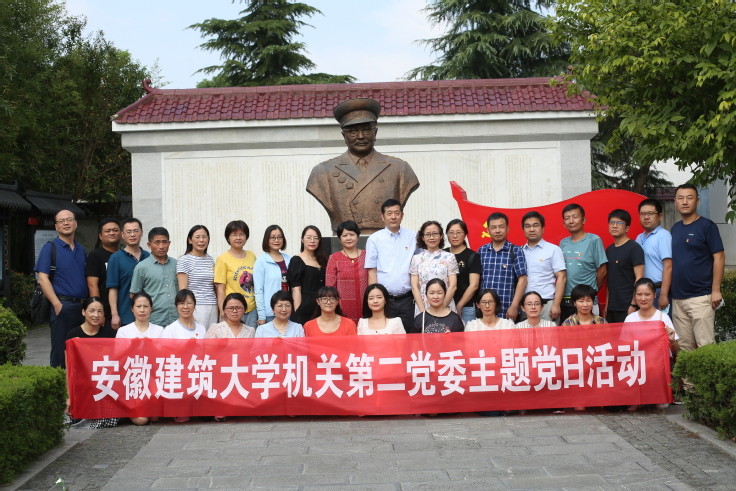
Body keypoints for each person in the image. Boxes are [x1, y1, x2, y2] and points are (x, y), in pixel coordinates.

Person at [306, 97, 420, 235]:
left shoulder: (400, 168)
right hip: (345, 240)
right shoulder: (323, 172)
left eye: (366, 130)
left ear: (375, 133)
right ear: (344, 136)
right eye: (353, 131)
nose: (360, 136)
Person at [670, 183, 725, 352]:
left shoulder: (707, 226)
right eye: (680, 198)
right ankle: (687, 373)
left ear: (697, 201)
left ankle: (709, 373)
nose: (685, 202)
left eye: (689, 198)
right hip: (678, 298)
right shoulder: (675, 228)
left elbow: (719, 257)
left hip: (701, 296)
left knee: (705, 346)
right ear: (675, 202)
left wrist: (716, 290)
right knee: (684, 348)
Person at [35, 209, 89, 368]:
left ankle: (77, 382)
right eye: (61, 221)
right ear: (56, 226)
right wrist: (56, 304)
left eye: (69, 219)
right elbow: (43, 278)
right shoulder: (50, 248)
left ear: (76, 223)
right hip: (62, 306)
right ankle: (58, 382)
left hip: (82, 307)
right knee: (60, 350)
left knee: (81, 349)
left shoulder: (81, 249)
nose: (66, 223)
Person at [625, 278, 681, 411]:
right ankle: (637, 397)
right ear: (634, 296)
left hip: (659, 366)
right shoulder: (630, 319)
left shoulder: (663, 318)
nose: (643, 298)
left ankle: (654, 396)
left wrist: (672, 340)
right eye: (639, 294)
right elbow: (624, 349)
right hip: (637, 366)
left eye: (647, 294)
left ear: (655, 295)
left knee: (661, 406)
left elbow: (676, 350)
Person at [365, 199, 421, 332]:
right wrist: (375, 297)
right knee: (386, 335)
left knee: (410, 335)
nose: (393, 217)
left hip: (408, 299)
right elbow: (372, 270)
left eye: (397, 213)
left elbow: (420, 264)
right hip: (385, 300)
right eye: (389, 213)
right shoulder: (374, 239)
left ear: (402, 215)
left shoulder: (413, 237)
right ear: (382, 216)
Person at [64, 297, 117, 429]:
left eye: (100, 311)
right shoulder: (73, 335)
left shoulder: (109, 334)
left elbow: (114, 364)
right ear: (83, 312)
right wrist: (69, 397)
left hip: (102, 383)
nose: (96, 315)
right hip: (81, 385)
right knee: (72, 415)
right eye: (92, 311)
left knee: (111, 417)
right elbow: (68, 369)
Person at [559, 204, 607, 320]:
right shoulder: (563, 243)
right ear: (564, 223)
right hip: (566, 299)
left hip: (586, 301)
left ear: (583, 220)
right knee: (568, 330)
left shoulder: (594, 240)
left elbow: (603, 270)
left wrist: (591, 292)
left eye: (575, 217)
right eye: (567, 218)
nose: (571, 221)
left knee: (591, 330)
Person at [477, 212, 527, 321]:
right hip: (485, 311)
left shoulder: (516, 251)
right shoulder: (482, 251)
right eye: (493, 227)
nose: (497, 230)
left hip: (507, 310)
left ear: (507, 229)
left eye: (501, 227)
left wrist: (514, 306)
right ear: (488, 230)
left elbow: (522, 280)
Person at [521, 212, 566, 323]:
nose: (532, 229)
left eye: (535, 225)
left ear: (543, 228)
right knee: (525, 334)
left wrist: (556, 305)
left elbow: (562, 277)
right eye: (528, 226)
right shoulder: (519, 251)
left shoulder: (553, 250)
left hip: (547, 306)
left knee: (549, 334)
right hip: (525, 306)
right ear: (523, 229)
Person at [129, 227, 178, 327]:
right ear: (149, 245)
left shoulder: (177, 264)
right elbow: (134, 295)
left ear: (169, 243)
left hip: (177, 320)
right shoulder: (141, 267)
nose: (161, 246)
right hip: (154, 321)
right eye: (157, 242)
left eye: (164, 242)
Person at [107, 218, 150, 330]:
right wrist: (114, 314)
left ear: (142, 233)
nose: (132, 235)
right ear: (122, 234)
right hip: (125, 316)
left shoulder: (149, 257)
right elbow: (113, 289)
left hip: (149, 317)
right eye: (128, 231)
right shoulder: (115, 258)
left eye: (136, 231)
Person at [604, 210, 645, 323]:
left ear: (627, 228)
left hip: (627, 305)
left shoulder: (634, 248)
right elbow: (609, 279)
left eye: (619, 223)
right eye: (612, 222)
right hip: (612, 306)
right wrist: (607, 304)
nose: (614, 226)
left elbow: (639, 278)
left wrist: (633, 304)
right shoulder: (609, 250)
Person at [410, 221, 459, 316]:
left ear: (441, 236)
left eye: (435, 234)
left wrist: (441, 309)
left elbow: (453, 286)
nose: (431, 237)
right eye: (428, 234)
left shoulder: (449, 257)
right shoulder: (416, 258)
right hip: (423, 306)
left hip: (445, 306)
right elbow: (415, 287)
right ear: (423, 237)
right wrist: (423, 311)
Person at [214, 220, 257, 327]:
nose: (238, 238)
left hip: (251, 309)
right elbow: (220, 289)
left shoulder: (252, 256)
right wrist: (223, 311)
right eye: (234, 234)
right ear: (228, 238)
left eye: (241, 234)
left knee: (250, 336)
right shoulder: (222, 259)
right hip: (233, 311)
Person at [325, 220, 368, 324]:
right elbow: (330, 288)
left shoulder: (367, 256)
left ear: (358, 236)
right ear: (340, 238)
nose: (348, 238)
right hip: (343, 309)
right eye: (344, 235)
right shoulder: (334, 258)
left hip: (367, 306)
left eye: (352, 234)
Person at [176, 225, 218, 328]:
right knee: (197, 335)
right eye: (197, 237)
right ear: (190, 240)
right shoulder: (184, 260)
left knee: (211, 336)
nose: (201, 240)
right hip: (196, 307)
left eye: (204, 237)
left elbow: (213, 286)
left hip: (213, 305)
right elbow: (183, 290)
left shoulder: (210, 259)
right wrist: (187, 309)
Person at [635, 199, 673, 311]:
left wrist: (664, 295)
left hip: (658, 290)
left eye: (650, 214)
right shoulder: (639, 238)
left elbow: (668, 266)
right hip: (642, 292)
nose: (646, 217)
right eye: (643, 214)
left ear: (660, 216)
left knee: (659, 322)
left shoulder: (663, 236)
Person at [287, 225, 326, 325]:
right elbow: (296, 290)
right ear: (302, 239)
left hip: (322, 307)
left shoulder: (323, 261)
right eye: (309, 237)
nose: (312, 241)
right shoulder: (297, 260)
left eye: (316, 238)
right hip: (305, 307)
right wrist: (297, 312)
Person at [85, 218, 121, 327]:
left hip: (126, 310)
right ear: (100, 236)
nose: (112, 233)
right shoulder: (95, 256)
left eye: (115, 230)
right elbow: (92, 286)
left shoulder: (126, 255)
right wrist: (99, 313)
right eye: (107, 231)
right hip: (106, 313)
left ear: (121, 233)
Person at [445, 219, 482, 324]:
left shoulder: (472, 256)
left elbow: (474, 285)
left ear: (465, 234)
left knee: (466, 333)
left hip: (466, 306)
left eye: (458, 232)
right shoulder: (443, 254)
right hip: (445, 305)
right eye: (451, 233)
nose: (455, 236)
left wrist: (460, 305)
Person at [254, 225, 292, 325]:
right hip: (270, 313)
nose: (276, 240)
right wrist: (261, 316)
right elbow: (258, 290)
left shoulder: (289, 260)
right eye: (273, 237)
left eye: (279, 237)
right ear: (267, 239)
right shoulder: (261, 261)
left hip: (288, 311)